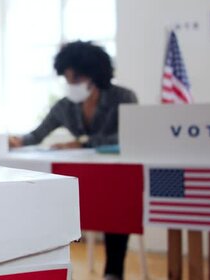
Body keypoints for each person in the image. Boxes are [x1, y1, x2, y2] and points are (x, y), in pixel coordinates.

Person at [9, 41, 137, 280]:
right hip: (84, 176)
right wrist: (17, 141)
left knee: (115, 205)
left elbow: (129, 137)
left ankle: (113, 272)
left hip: (116, 176)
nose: (71, 85)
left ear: (94, 76)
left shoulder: (124, 97)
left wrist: (84, 142)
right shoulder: (65, 107)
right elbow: (37, 134)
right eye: (67, 79)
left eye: (76, 79)